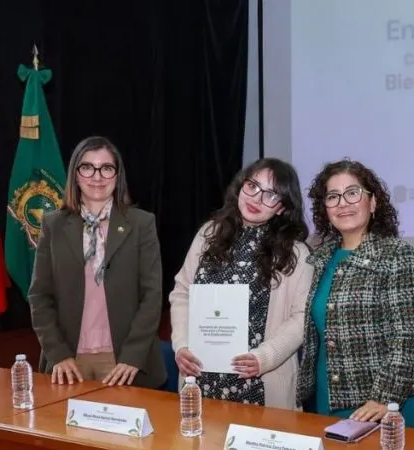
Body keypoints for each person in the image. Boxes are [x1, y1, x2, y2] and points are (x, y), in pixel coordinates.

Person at [168, 158, 312, 408]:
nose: (256, 198)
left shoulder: (296, 253)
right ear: (240, 187)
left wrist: (264, 357)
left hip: (260, 384)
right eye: (253, 186)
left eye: (271, 195)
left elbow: (302, 316)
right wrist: (182, 346)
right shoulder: (208, 235)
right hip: (201, 380)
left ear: (281, 207)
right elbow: (182, 294)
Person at [296, 159, 414, 425]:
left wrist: (383, 397)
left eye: (353, 193)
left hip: (384, 406)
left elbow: (408, 338)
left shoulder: (397, 255)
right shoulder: (319, 259)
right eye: (333, 197)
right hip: (327, 396)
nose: (343, 203)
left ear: (373, 202)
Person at [30, 136, 165, 387]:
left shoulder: (141, 224)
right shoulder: (53, 225)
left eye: (106, 168)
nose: (97, 176)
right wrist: (57, 353)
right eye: (87, 167)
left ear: (117, 175)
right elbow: (40, 296)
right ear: (76, 174)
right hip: (69, 361)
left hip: (123, 362)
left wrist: (133, 356)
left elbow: (152, 296)